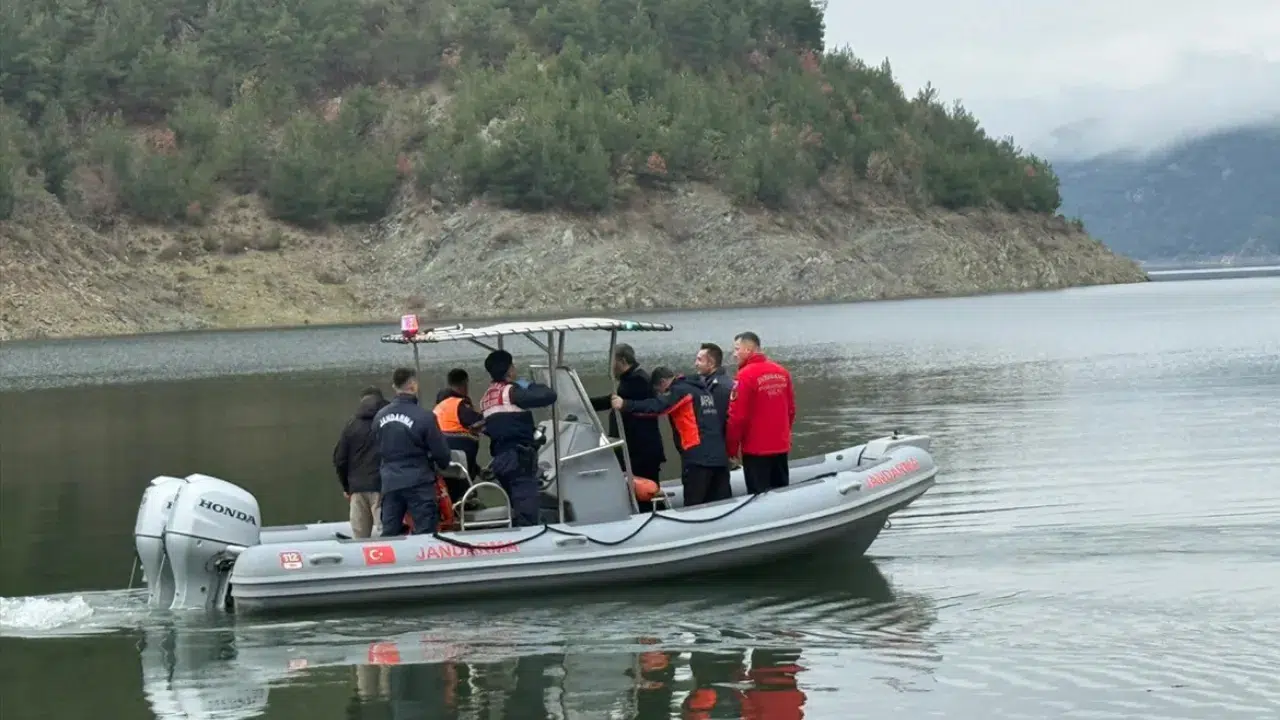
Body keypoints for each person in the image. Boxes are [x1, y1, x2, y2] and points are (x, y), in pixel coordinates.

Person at [613, 366, 730, 506]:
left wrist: (625, 404)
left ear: (663, 382)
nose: (661, 394)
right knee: (722, 502)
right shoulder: (702, 390)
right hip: (719, 457)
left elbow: (658, 407)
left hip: (698, 459)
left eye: (659, 391)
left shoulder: (679, 390)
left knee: (694, 504)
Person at [373, 367, 454, 535]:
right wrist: (443, 464)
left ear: (394, 387)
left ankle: (389, 559)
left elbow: (376, 447)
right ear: (413, 385)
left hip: (390, 482)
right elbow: (442, 454)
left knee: (390, 530)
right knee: (425, 529)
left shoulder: (379, 417)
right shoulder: (424, 417)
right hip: (418, 482)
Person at [480, 349, 557, 526]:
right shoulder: (512, 393)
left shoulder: (486, 398)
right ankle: (530, 544)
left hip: (501, 460)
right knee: (527, 511)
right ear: (509, 370)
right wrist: (527, 385)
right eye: (513, 365)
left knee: (516, 505)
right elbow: (549, 395)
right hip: (519, 459)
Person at [725, 331, 796, 495]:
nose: (734, 354)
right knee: (781, 492)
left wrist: (731, 450)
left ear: (748, 349)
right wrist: (785, 435)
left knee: (759, 496)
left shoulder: (745, 376)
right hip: (780, 446)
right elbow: (791, 410)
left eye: (737, 349)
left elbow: (737, 418)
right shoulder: (782, 372)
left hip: (756, 450)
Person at [590, 343, 666, 481]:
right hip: (633, 450)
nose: (610, 366)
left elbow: (624, 402)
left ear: (622, 361)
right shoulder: (629, 380)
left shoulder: (638, 380)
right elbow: (613, 400)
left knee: (644, 491)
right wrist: (587, 402)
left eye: (612, 361)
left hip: (640, 452)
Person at [332, 386, 389, 538]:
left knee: (360, 537)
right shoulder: (388, 422)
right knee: (387, 535)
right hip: (382, 486)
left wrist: (347, 487)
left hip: (357, 488)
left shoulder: (351, 425)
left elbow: (339, 459)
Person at [433, 368, 485, 494]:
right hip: (461, 463)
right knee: (465, 493)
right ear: (465, 383)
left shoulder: (438, 408)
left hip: (443, 462)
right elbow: (480, 421)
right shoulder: (459, 405)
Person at [694, 342, 731, 434]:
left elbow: (719, 419)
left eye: (699, 360)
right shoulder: (707, 382)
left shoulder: (721, 387)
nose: (696, 364)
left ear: (711, 364)